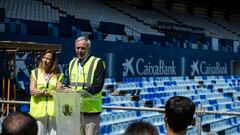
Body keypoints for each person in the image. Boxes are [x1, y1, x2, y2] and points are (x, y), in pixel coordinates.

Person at [68, 36, 105, 135]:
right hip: (75, 112)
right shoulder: (72, 63)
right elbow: (69, 83)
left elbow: (98, 86)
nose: (80, 51)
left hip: (91, 112)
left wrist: (79, 92)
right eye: (77, 48)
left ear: (88, 48)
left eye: (83, 48)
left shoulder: (97, 62)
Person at [29, 50, 64, 135]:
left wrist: (40, 91)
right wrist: (48, 92)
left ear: (53, 61)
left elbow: (58, 92)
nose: (45, 60)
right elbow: (32, 91)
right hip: (38, 112)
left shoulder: (59, 74)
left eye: (48, 59)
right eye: (44, 58)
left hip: (54, 112)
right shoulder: (35, 72)